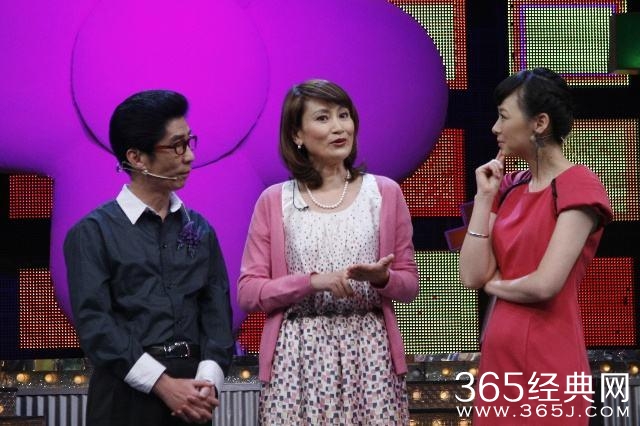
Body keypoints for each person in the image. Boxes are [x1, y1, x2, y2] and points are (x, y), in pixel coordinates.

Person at [237, 79, 419, 424]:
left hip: (370, 353)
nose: (339, 127)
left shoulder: (383, 193)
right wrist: (312, 282)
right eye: (323, 118)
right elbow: (248, 293)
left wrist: (383, 279)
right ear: (297, 135)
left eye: (344, 115)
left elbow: (409, 285)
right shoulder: (275, 201)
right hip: (297, 355)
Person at [64, 90, 234, 425]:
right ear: (137, 157)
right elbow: (96, 325)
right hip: (125, 393)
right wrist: (163, 384)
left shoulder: (201, 229)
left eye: (190, 142)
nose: (189, 156)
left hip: (193, 396)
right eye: (177, 146)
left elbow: (217, 315)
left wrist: (207, 383)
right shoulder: (92, 233)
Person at [459, 68, 612, 425]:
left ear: (539, 123)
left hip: (550, 359)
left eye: (504, 116)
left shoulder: (579, 185)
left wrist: (493, 285)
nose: (495, 128)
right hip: (499, 361)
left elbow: (545, 284)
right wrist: (484, 199)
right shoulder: (509, 186)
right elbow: (471, 275)